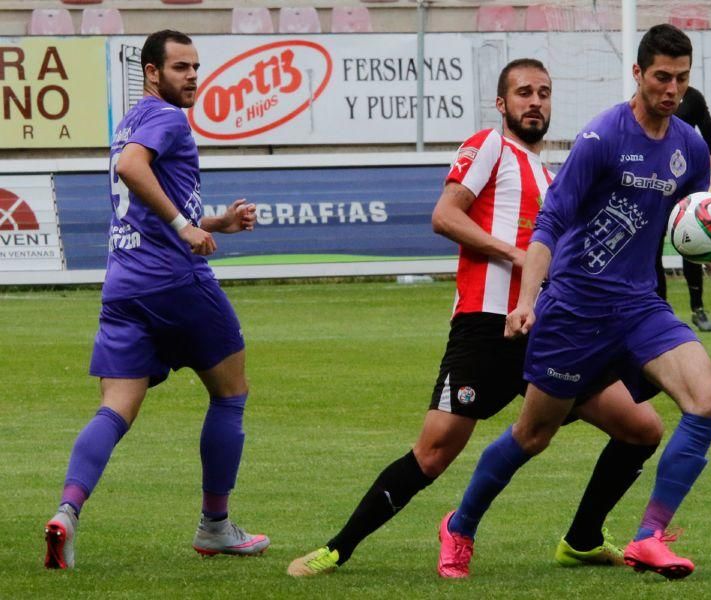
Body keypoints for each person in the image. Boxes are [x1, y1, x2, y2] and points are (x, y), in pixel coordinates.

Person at [437, 24, 711, 581]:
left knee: (708, 401)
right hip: (574, 311)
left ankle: (649, 537)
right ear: (638, 73)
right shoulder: (602, 137)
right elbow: (551, 223)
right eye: (661, 77)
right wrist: (528, 300)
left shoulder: (689, 146)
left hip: (638, 307)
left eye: (681, 78)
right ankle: (459, 526)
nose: (671, 89)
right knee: (533, 435)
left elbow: (701, 237)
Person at [287, 58, 664, 578]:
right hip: (487, 325)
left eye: (544, 93)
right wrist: (515, 254)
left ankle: (581, 540)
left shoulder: (553, 174)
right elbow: (445, 215)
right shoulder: (490, 145)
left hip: (549, 329)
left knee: (640, 428)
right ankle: (338, 548)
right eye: (524, 92)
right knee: (434, 452)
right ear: (502, 103)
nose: (536, 102)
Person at [43, 30, 269, 570]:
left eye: (195, 66)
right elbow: (133, 172)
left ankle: (66, 513)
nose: (192, 76)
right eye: (180, 68)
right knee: (231, 393)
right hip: (175, 280)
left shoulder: (129, 123)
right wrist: (184, 229)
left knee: (115, 407)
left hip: (124, 284)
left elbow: (142, 185)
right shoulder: (167, 119)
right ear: (151, 73)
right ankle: (215, 526)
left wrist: (214, 223)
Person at [655, 86, 711, 332]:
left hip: (686, 186)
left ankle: (698, 308)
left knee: (693, 244)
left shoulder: (693, 98)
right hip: (654, 186)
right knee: (652, 251)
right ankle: (659, 310)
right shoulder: (648, 97)